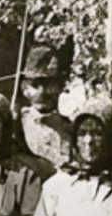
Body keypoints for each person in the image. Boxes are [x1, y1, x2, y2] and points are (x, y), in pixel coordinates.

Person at [18, 36, 75, 167]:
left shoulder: (69, 126)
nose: (42, 92)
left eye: (49, 84)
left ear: (61, 86)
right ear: (24, 88)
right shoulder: (18, 125)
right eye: (35, 85)